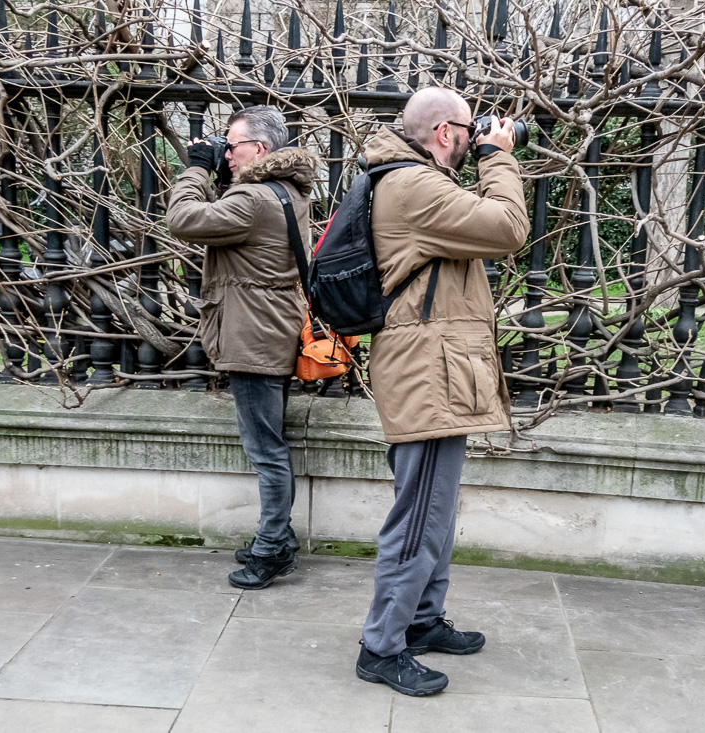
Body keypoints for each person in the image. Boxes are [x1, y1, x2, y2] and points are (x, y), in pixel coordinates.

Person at [353, 88, 529, 697]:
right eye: (470, 128)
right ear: (445, 133)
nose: (479, 134)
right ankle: (382, 646)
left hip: (437, 368)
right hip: (426, 373)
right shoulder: (413, 187)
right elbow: (507, 227)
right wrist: (499, 155)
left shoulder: (416, 181)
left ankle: (422, 620)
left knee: (435, 511)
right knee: (420, 515)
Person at [165, 106, 319, 590]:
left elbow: (183, 219)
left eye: (233, 145)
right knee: (270, 444)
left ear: (262, 149)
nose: (226, 153)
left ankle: (272, 549)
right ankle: (279, 538)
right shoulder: (285, 191)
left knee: (266, 450)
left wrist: (193, 169)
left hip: (254, 338)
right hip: (271, 330)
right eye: (225, 147)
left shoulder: (252, 199)